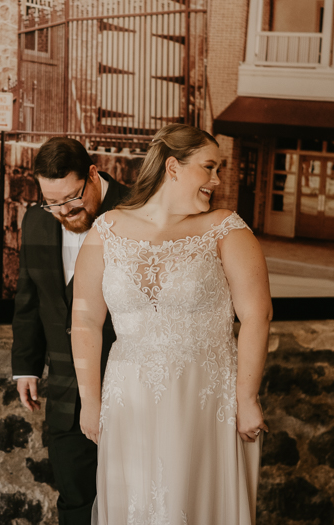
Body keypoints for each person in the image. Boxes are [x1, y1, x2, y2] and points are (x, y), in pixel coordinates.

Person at [71, 124, 272, 524]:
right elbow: (86, 322)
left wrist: (246, 398)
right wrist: (90, 402)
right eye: (209, 167)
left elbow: (256, 315)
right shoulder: (106, 231)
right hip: (128, 401)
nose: (217, 179)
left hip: (205, 399)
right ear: (173, 167)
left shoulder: (226, 229)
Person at [12, 137, 130, 525]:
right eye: (52, 201)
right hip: (65, 395)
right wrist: (26, 366)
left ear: (93, 174)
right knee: (75, 502)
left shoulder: (138, 212)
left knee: (134, 501)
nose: (63, 211)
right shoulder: (35, 219)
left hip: (131, 389)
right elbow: (30, 299)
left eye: (72, 198)